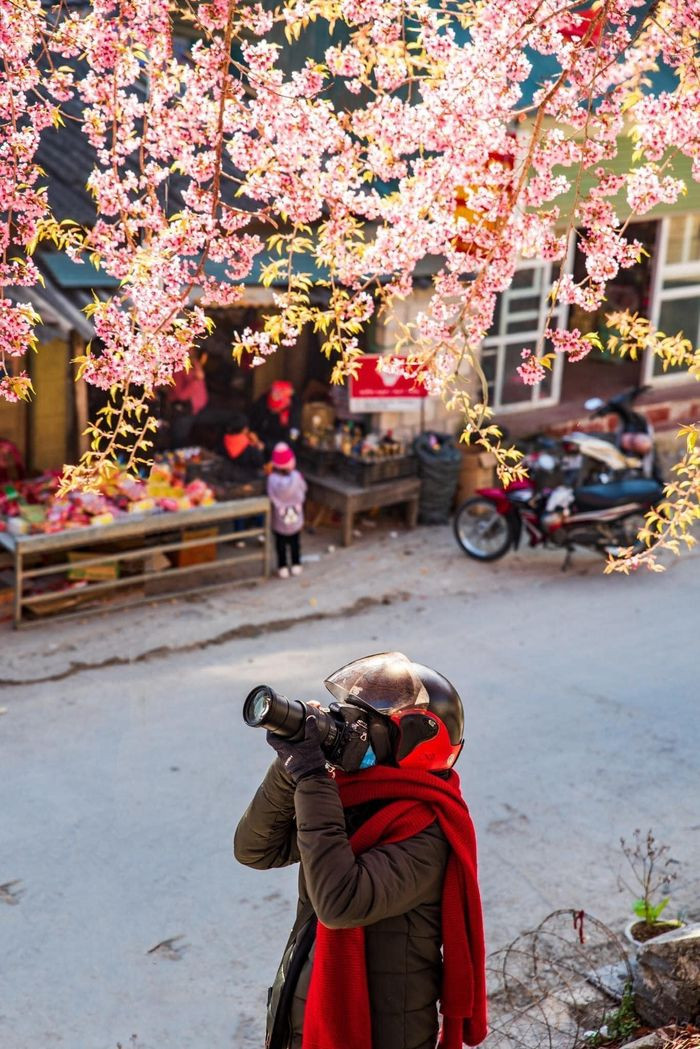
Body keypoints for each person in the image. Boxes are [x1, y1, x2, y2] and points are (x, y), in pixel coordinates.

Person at [234, 652, 487, 1049]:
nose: (350, 729)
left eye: (366, 724)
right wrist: (290, 767)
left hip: (380, 1034)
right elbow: (254, 850)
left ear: (415, 740)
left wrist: (312, 775)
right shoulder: (349, 794)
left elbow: (339, 903)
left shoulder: (428, 832)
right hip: (304, 1016)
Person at [266, 442, 307, 579]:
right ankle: (296, 564)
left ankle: (282, 567)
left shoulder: (271, 479)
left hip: (280, 519)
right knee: (295, 542)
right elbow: (303, 490)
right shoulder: (298, 477)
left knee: (280, 544)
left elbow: (271, 496)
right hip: (295, 516)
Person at [251, 380, 302, 454]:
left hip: (277, 446)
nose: (272, 410)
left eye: (276, 407)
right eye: (271, 406)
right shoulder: (263, 401)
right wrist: (251, 433)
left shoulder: (293, 416)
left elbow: (291, 441)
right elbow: (252, 418)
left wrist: (266, 445)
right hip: (259, 437)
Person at [220, 412, 265, 482]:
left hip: (228, 472)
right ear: (245, 429)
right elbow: (260, 463)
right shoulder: (250, 449)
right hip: (246, 478)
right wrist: (258, 446)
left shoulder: (224, 439)